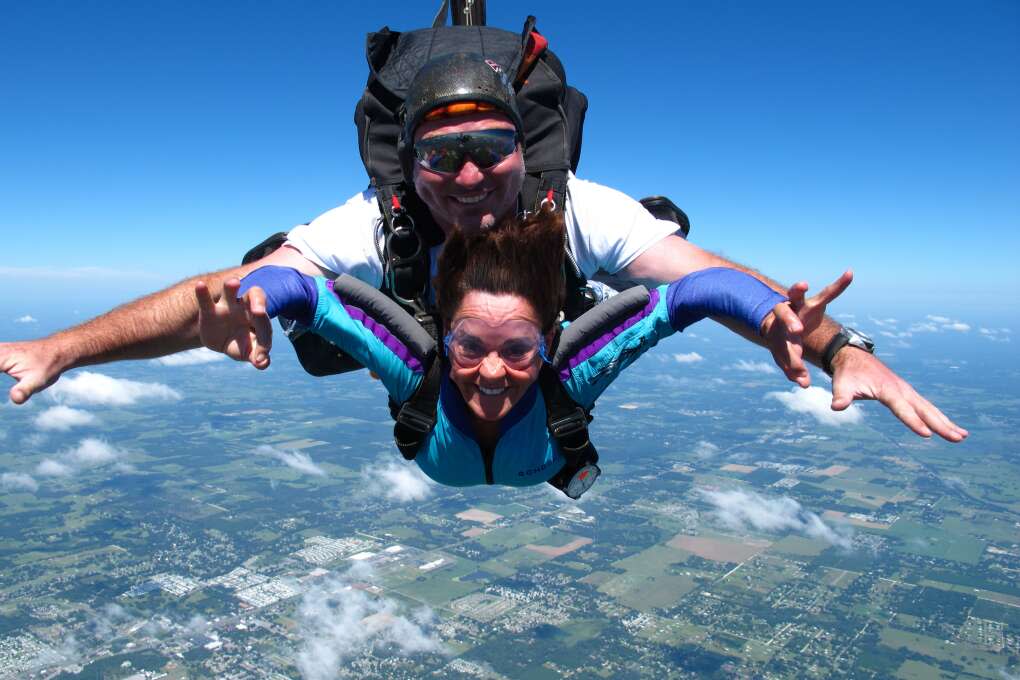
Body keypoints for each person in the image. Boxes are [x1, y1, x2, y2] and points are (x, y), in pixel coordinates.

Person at [0, 51, 967, 443]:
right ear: (407, 169)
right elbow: (230, 292)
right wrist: (63, 349)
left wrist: (839, 347)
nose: (470, 179)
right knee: (281, 283)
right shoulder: (370, 222)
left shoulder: (584, 208)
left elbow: (705, 281)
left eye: (493, 149)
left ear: (524, 150)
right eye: (443, 156)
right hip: (419, 337)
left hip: (543, 335)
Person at [206, 206, 837, 497]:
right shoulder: (415, 366)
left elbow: (693, 292)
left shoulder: (571, 371)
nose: (489, 371)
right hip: (453, 351)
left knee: (598, 309)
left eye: (519, 350)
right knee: (319, 354)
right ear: (446, 337)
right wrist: (257, 290)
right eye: (469, 346)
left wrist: (785, 322)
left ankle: (590, 269)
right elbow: (308, 295)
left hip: (555, 342)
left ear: (547, 345)